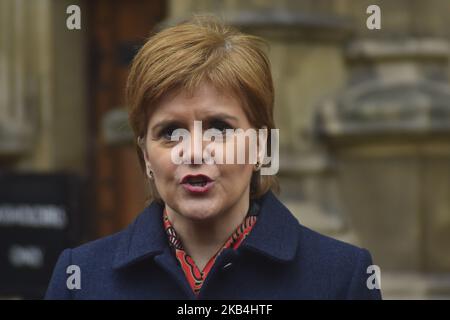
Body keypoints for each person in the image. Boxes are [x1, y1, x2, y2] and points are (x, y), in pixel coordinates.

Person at [45, 15, 381, 300]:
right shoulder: (82, 279)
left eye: (219, 128)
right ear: (145, 155)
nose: (193, 151)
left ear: (262, 147)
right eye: (170, 132)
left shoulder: (341, 278)